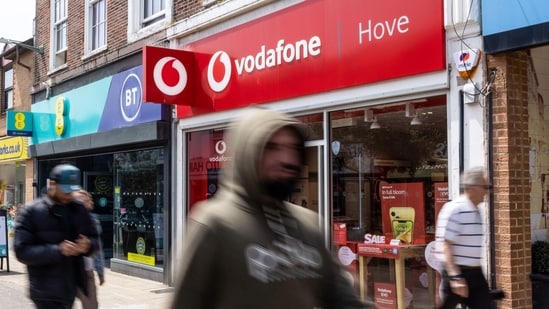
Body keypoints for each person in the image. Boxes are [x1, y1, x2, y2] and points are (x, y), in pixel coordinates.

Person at [170, 107, 366, 309]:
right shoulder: (214, 225)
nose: (287, 159)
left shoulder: (309, 226)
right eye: (272, 148)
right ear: (247, 153)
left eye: (293, 149)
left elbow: (342, 300)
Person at [14, 164, 100, 309]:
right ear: (52, 184)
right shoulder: (31, 212)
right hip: (45, 291)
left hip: (71, 287)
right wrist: (58, 250)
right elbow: (21, 251)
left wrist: (88, 245)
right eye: (65, 190)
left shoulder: (78, 209)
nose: (69, 195)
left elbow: (95, 240)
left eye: (72, 191)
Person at [435, 166, 493, 308]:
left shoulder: (477, 211)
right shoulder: (455, 209)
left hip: (476, 274)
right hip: (458, 273)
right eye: (485, 187)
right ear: (472, 188)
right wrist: (455, 276)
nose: (488, 191)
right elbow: (445, 244)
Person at [74, 189, 105, 309]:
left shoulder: (93, 220)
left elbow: (98, 249)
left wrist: (101, 272)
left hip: (87, 272)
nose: (83, 204)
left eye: (86, 201)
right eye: (79, 201)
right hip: (67, 271)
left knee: (91, 305)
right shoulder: (64, 218)